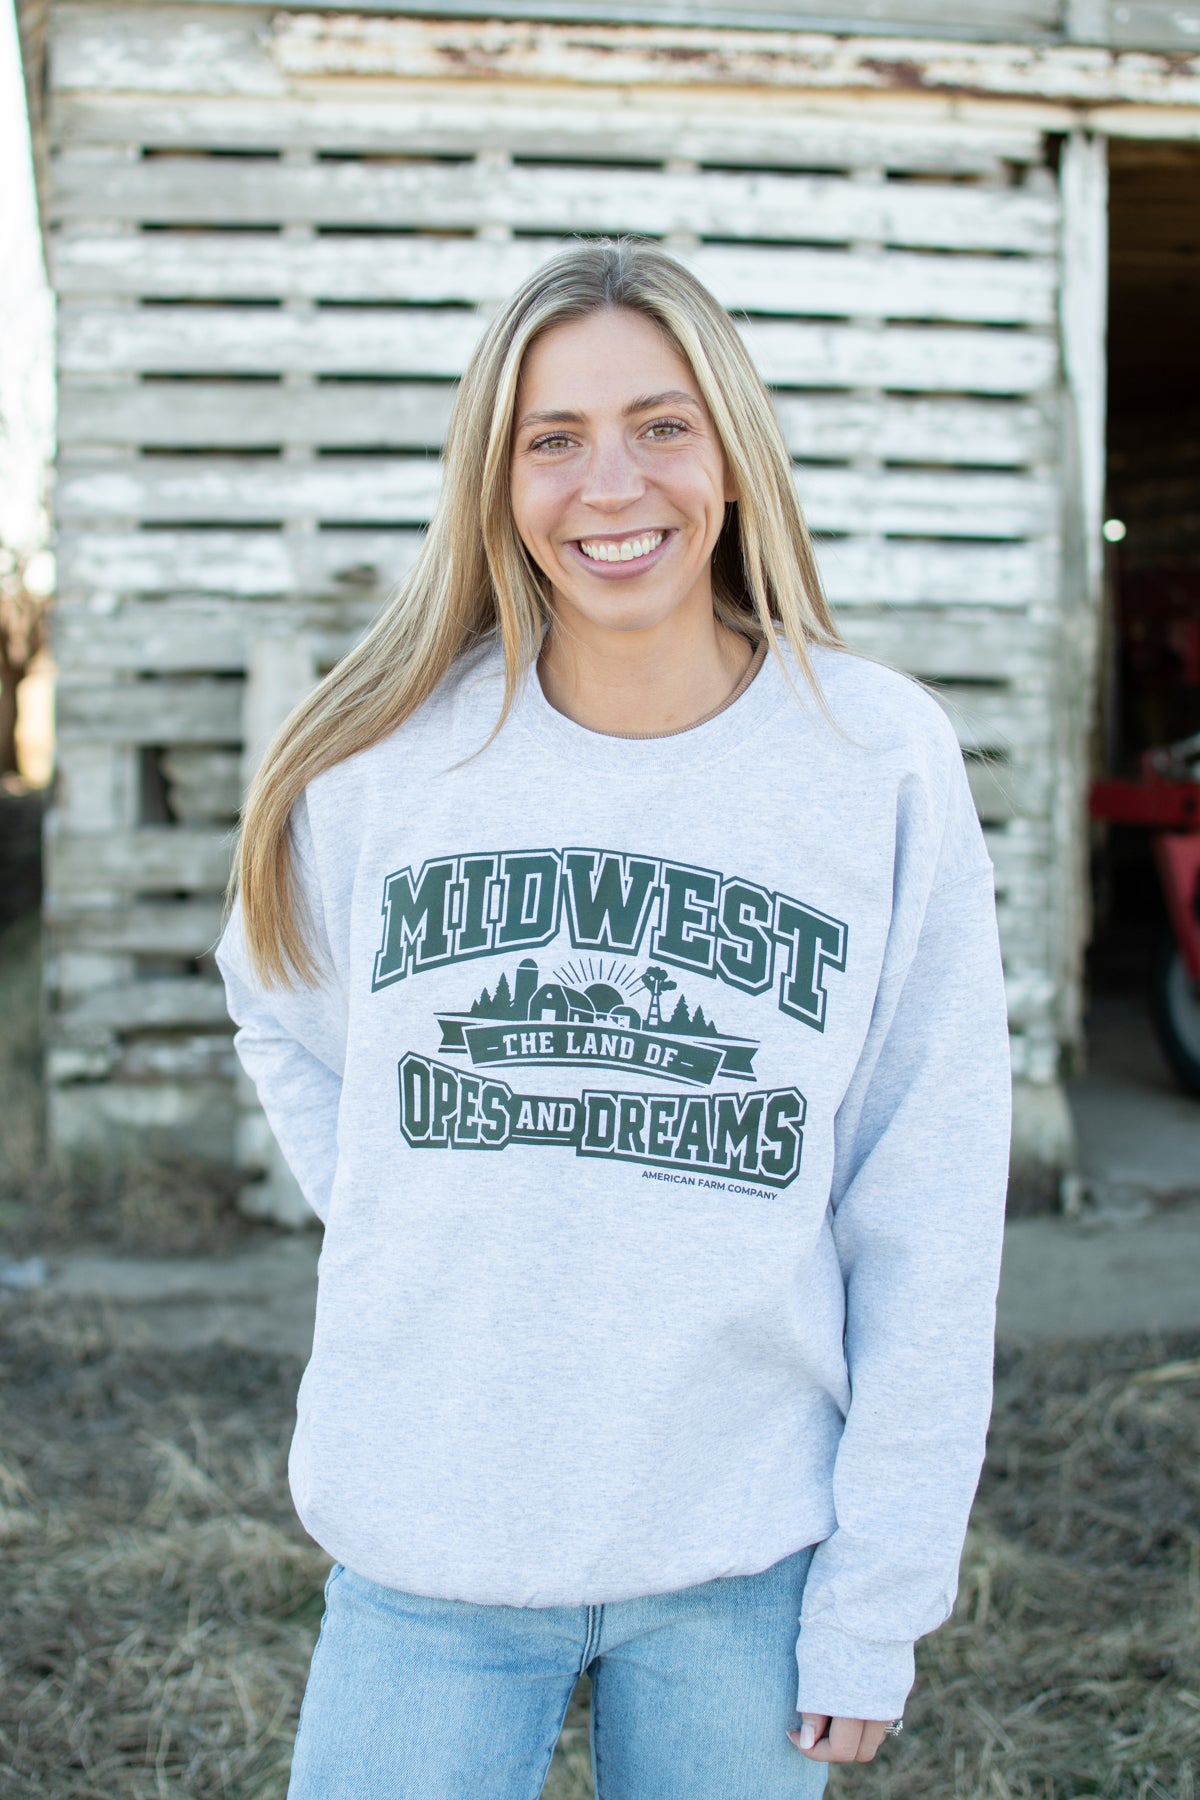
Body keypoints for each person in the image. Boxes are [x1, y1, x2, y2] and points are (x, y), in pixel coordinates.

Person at [216, 237, 1011, 1799]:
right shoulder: (388, 766)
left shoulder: (875, 757)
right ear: (495, 474)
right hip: (430, 1536)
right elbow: (276, 1006)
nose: (612, 485)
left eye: (660, 425)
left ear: (732, 448)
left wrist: (880, 1595)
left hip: (743, 1555)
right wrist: (410, 1220)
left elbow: (927, 1206)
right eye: (554, 439)